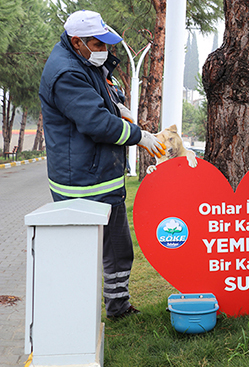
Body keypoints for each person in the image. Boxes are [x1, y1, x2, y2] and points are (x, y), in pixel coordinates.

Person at [39, 10, 166, 319]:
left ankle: (117, 307)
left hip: (99, 177)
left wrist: (117, 103)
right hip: (83, 182)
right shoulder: (66, 73)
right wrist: (141, 136)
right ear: (76, 41)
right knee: (85, 254)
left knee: (118, 249)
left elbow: (102, 94)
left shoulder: (83, 61)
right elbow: (96, 123)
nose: (104, 51)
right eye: (97, 45)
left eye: (106, 44)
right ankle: (77, 316)